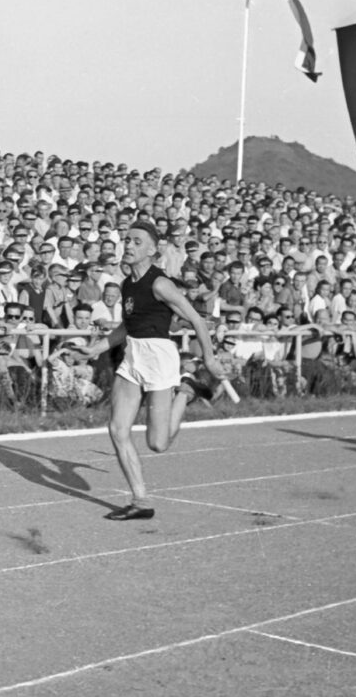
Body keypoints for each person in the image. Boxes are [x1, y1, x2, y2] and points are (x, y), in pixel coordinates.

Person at [81, 222, 224, 520]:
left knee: (157, 443)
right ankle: (141, 500)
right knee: (118, 429)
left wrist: (209, 359)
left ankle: (186, 391)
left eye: (136, 241)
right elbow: (126, 327)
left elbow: (197, 321)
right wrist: (96, 349)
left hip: (159, 359)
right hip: (133, 356)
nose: (128, 245)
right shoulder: (127, 284)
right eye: (126, 240)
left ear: (151, 249)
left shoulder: (161, 284)